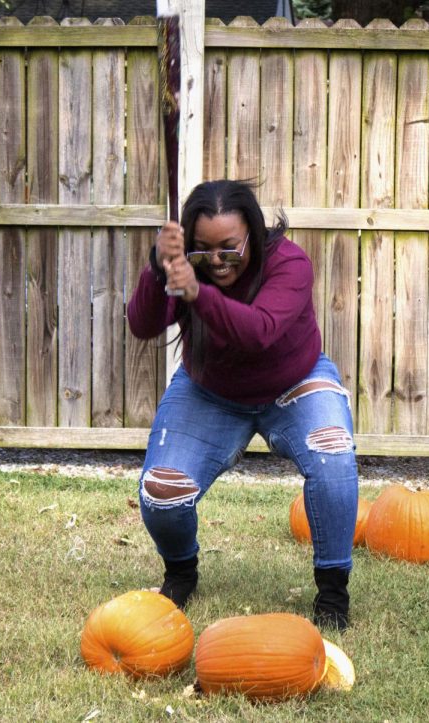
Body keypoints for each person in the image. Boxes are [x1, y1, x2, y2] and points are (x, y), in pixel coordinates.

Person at [126, 179, 358, 631]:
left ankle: (333, 593)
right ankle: (181, 572)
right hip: (210, 391)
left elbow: (259, 332)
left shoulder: (289, 263)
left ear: (252, 233)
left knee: (333, 460)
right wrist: (158, 270)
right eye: (202, 250)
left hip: (295, 382)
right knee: (162, 494)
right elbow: (142, 325)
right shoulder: (187, 269)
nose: (216, 262)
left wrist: (197, 291)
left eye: (229, 249)